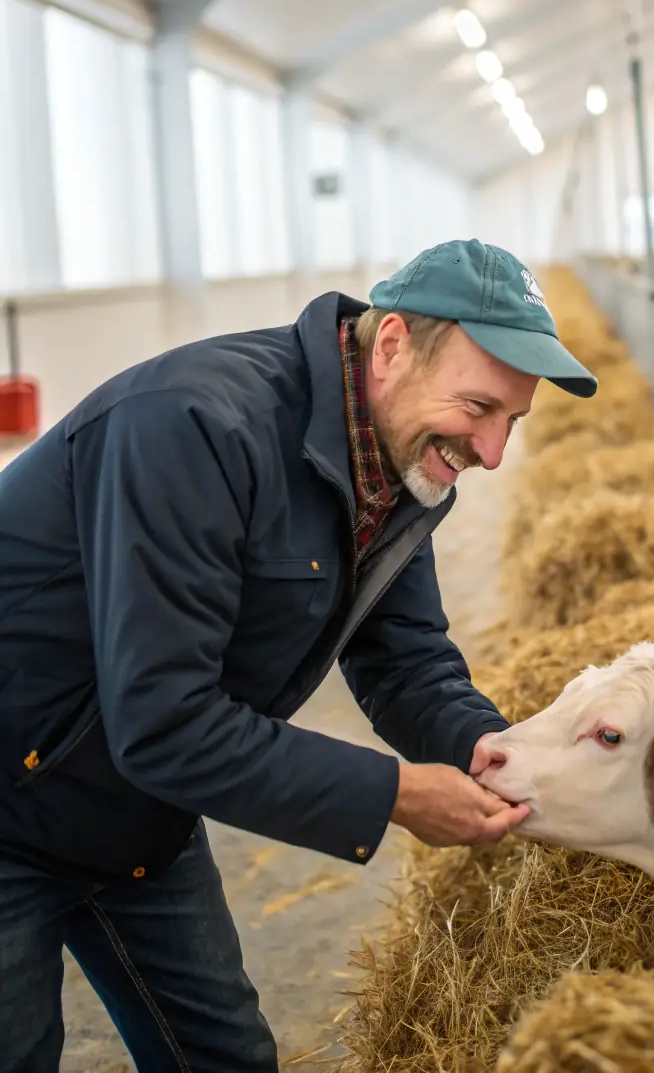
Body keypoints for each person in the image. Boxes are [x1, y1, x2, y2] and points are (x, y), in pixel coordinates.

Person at [0, 239, 597, 1073]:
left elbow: (405, 658)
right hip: (12, 797)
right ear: (390, 344)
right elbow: (166, 722)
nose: (491, 453)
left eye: (512, 422)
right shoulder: (194, 427)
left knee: (229, 1058)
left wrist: (489, 750)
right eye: (478, 407)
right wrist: (393, 792)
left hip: (136, 811)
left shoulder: (396, 458)